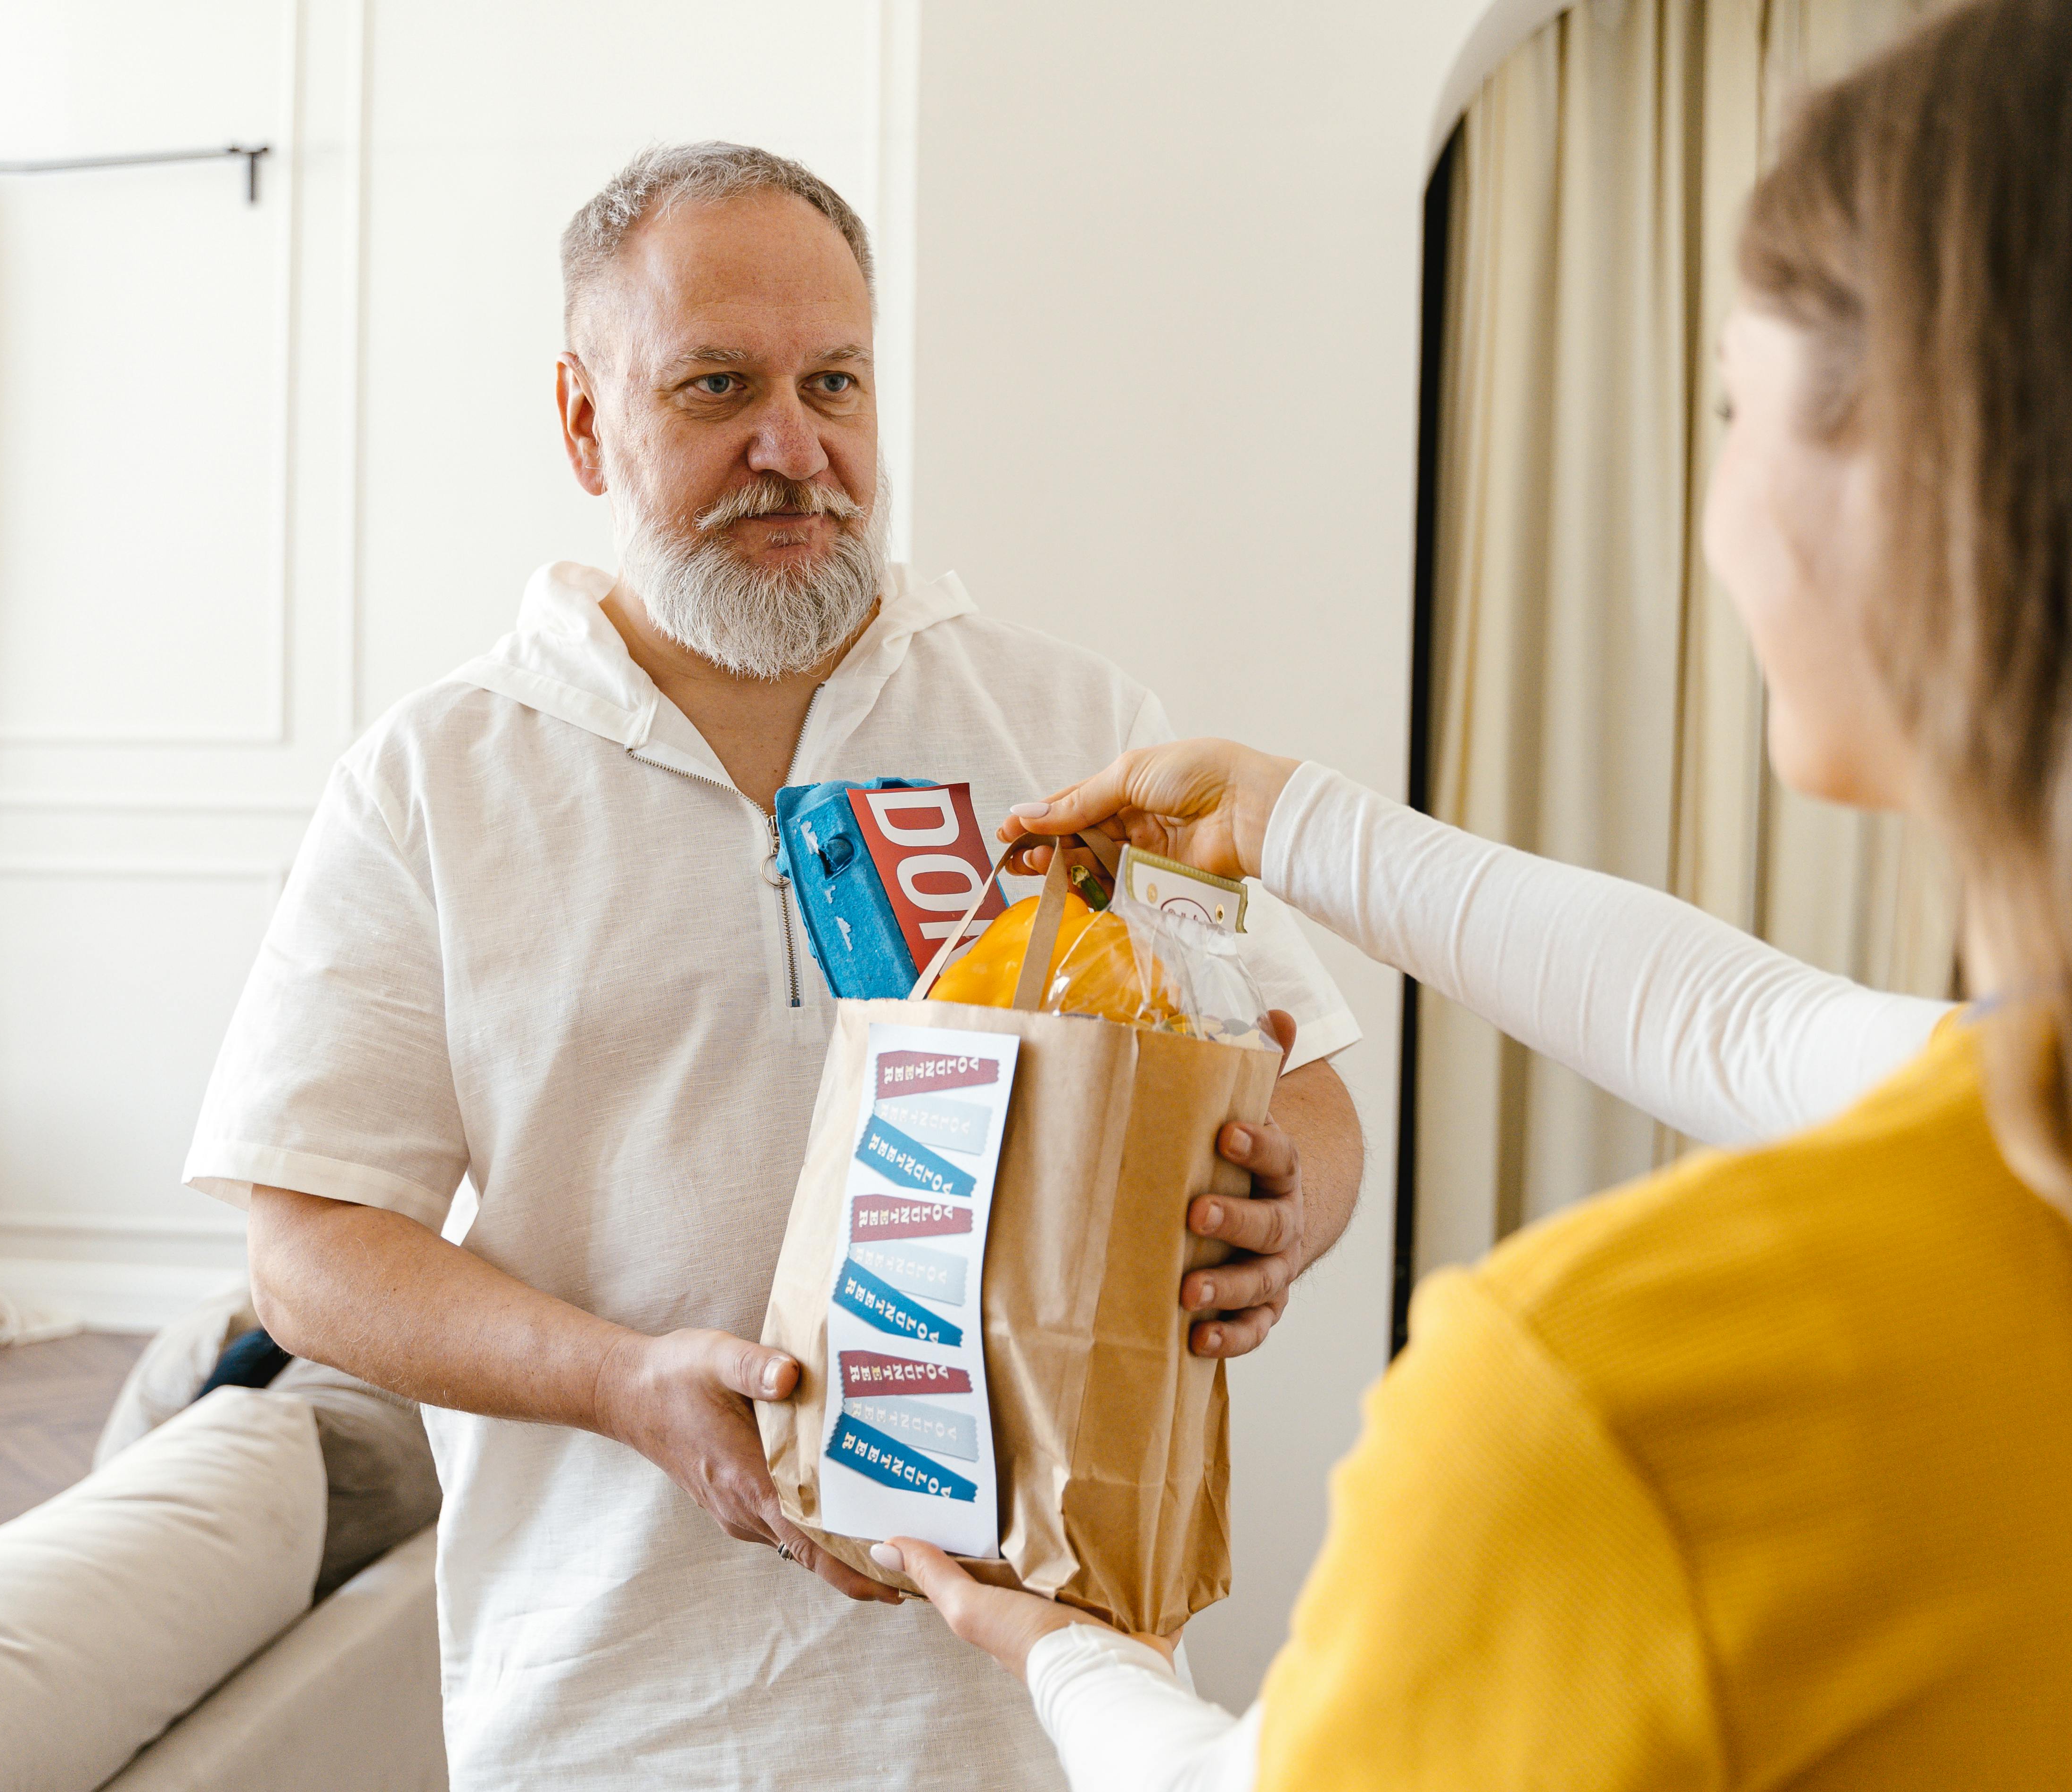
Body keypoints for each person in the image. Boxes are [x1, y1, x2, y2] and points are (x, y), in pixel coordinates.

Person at [887, 0, 2072, 1785]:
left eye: (1729, 404)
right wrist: (1292, 815)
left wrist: (1082, 1663)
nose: (1711, 507)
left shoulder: (1612, 1408)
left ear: (1939, 492)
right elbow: (1751, 1025)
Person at [181, 143, 1370, 1791]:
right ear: (586, 419)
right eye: (716, 386)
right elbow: (306, 1243)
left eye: (835, 382)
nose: (792, 447)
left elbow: (1304, 1083)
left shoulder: (1078, 730)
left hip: (1043, 1706)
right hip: (607, 1716)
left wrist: (1280, 1212)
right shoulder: (434, 778)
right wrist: (619, 1384)